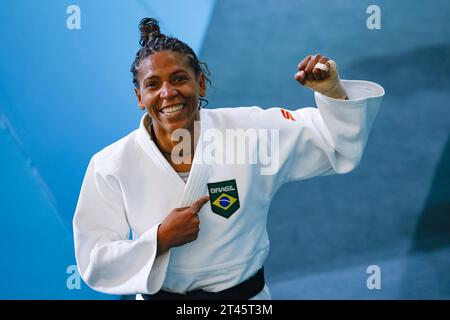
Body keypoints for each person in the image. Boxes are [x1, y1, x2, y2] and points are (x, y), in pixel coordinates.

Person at [73, 17, 385, 300]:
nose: (168, 93)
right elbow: (94, 259)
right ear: (140, 97)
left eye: (180, 79)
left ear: (201, 83)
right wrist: (160, 238)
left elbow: (334, 143)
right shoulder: (111, 164)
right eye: (153, 85)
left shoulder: (250, 132)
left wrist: (332, 92)